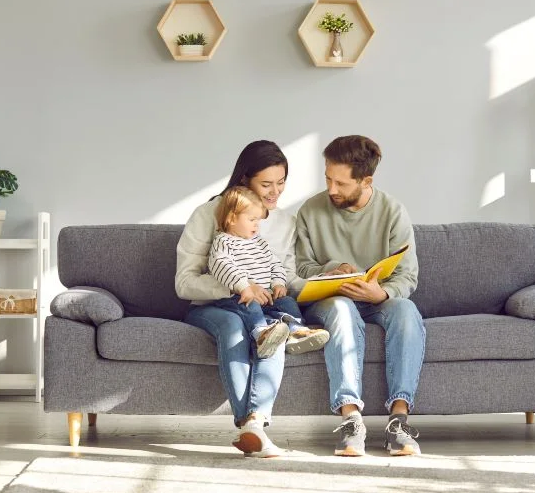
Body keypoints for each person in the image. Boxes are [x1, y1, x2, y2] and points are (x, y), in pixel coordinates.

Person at [175, 140, 324, 458]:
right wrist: (238, 288)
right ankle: (251, 423)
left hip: (264, 307)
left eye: (281, 182)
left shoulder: (284, 222)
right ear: (244, 180)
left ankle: (254, 425)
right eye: (266, 184)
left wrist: (326, 280)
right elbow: (184, 282)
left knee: (276, 330)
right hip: (214, 306)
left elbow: (284, 271)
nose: (275, 192)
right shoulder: (210, 214)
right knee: (232, 326)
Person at [295, 135, 426, 457]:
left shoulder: (393, 211)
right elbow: (299, 266)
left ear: (366, 180)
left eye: (340, 183)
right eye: (327, 178)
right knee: (341, 308)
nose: (332, 189)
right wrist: (332, 269)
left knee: (406, 310)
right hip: (330, 300)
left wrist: (381, 293)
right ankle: (350, 418)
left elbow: (407, 276)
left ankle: (399, 420)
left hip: (375, 299)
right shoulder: (311, 210)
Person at [205, 186, 329, 359]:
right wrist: (244, 286)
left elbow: (275, 264)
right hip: (239, 297)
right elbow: (222, 265)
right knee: (250, 307)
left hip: (267, 296)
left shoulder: (259, 243)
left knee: (286, 302)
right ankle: (261, 335)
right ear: (232, 219)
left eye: (258, 220)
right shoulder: (224, 241)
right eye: (252, 219)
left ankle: (297, 331)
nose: (257, 225)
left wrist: (278, 282)